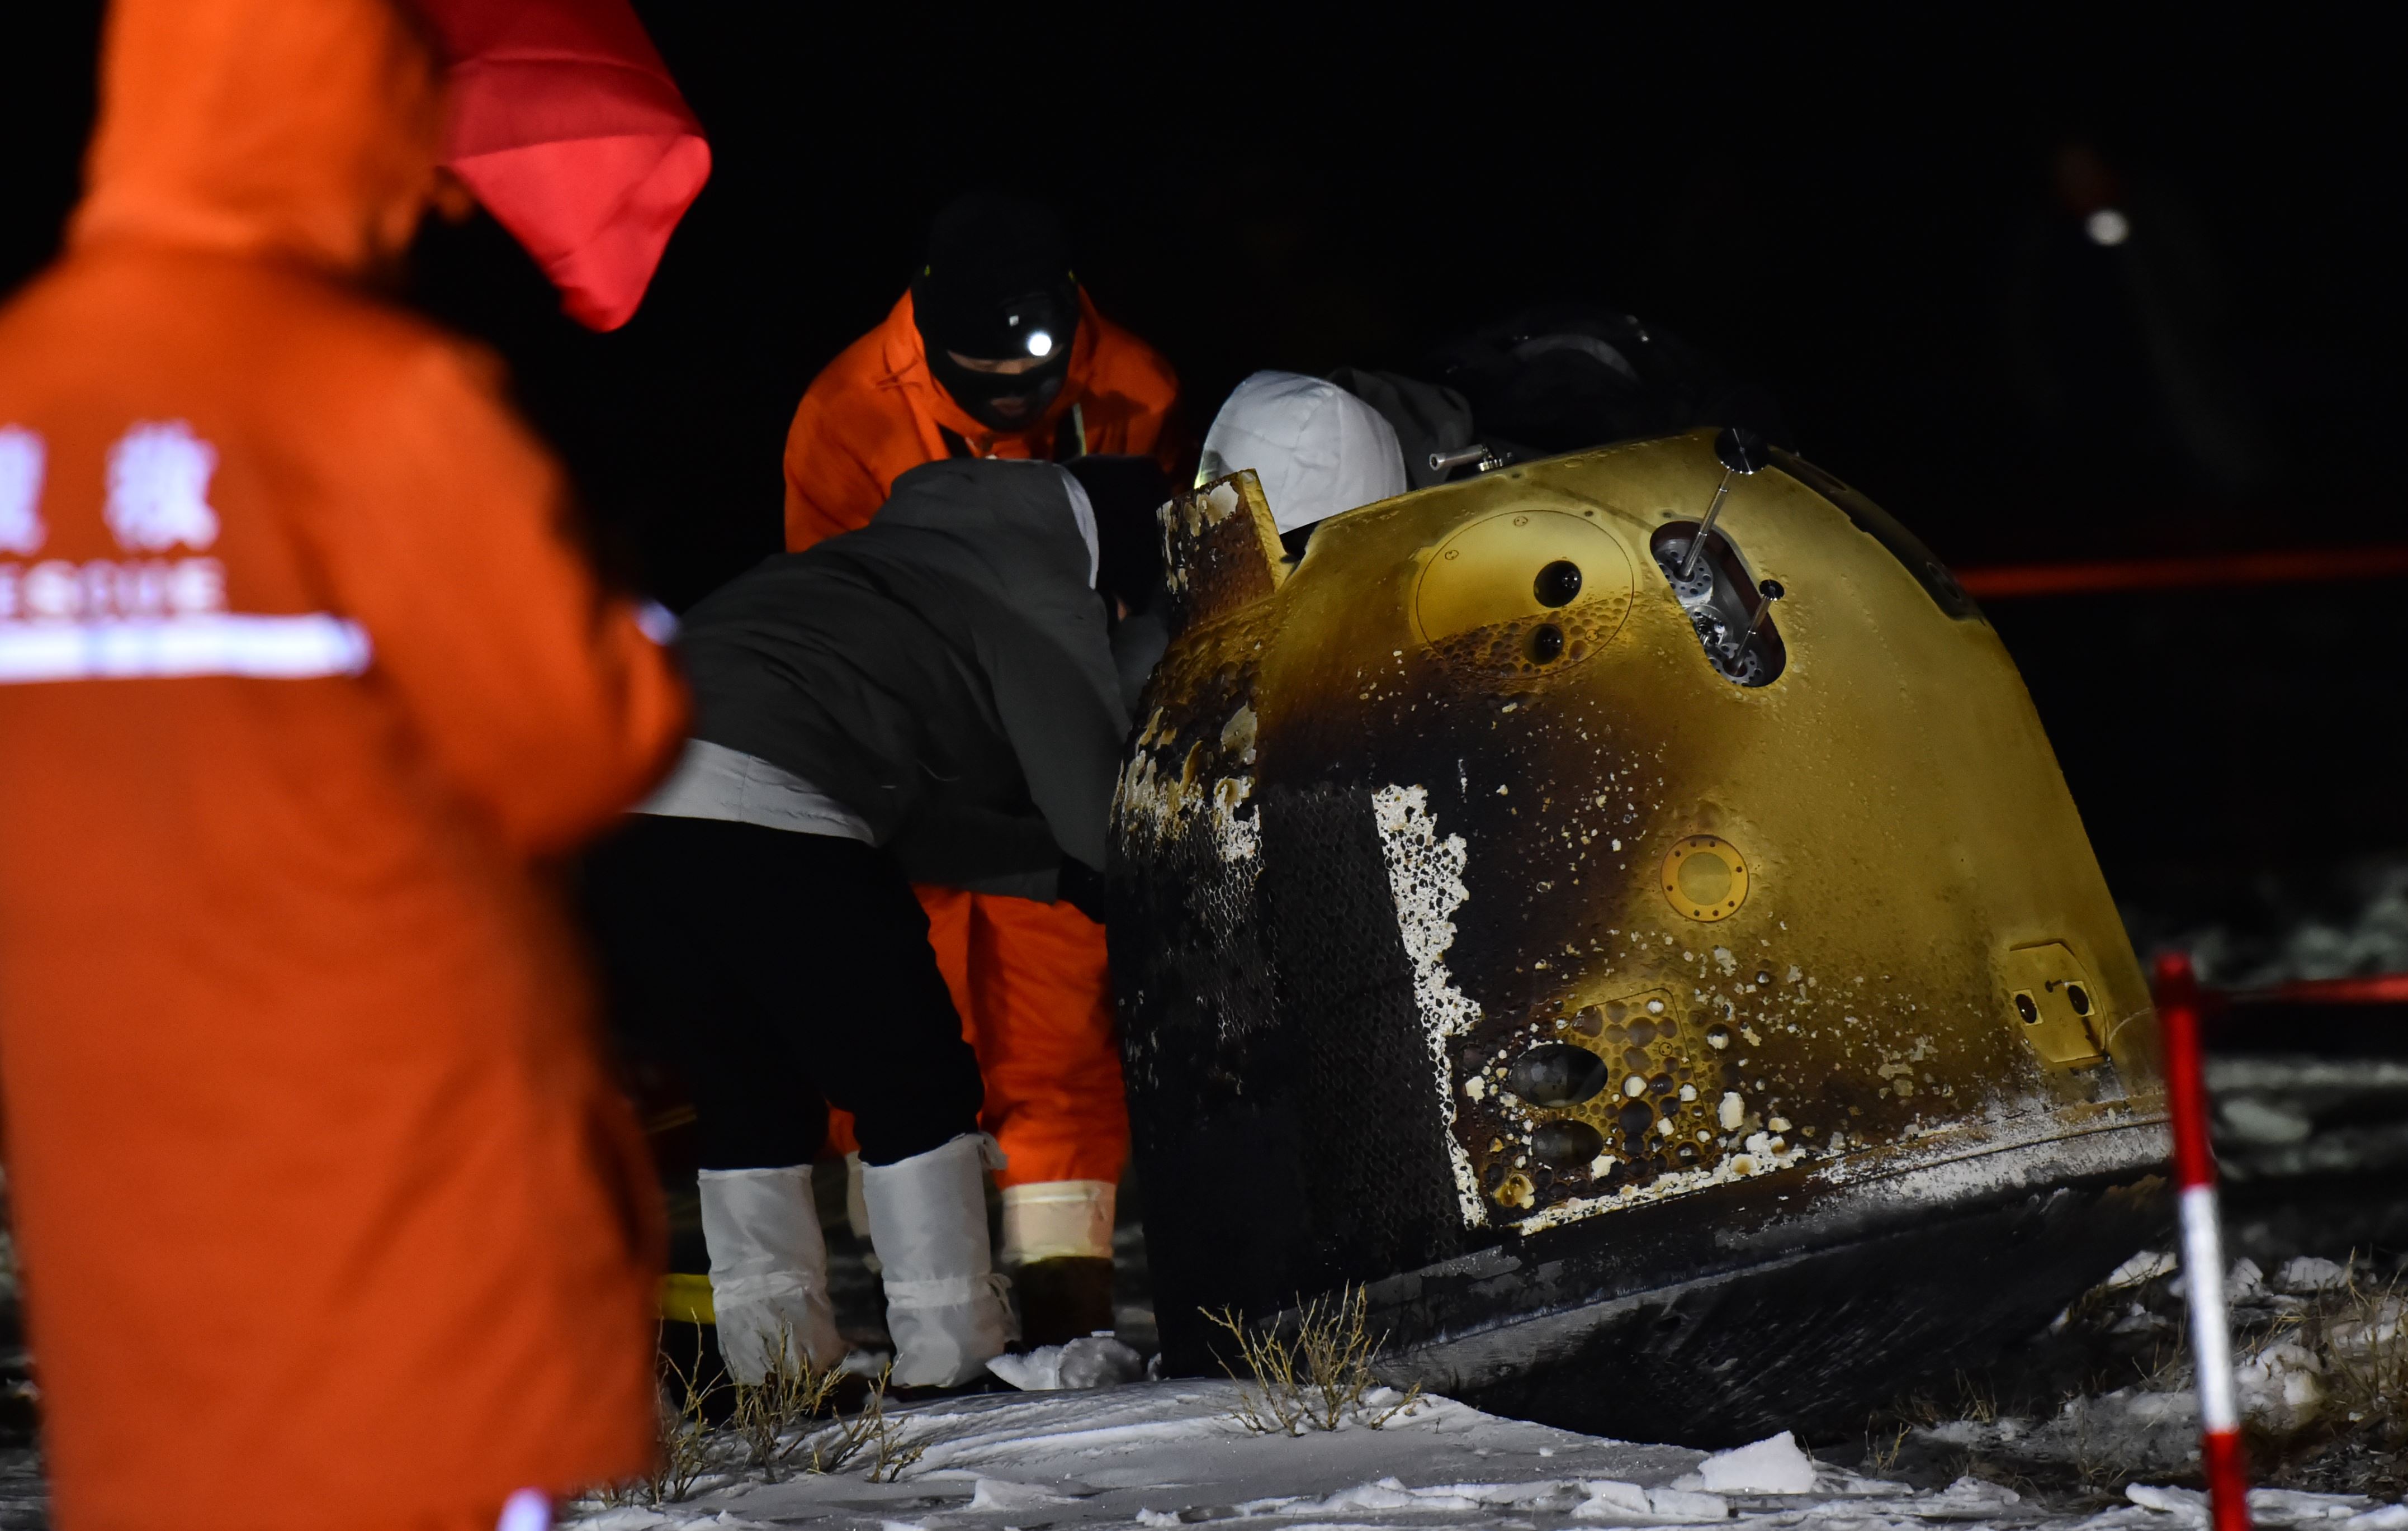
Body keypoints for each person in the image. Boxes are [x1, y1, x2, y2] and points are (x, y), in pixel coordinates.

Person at [0, 0, 693, 1528]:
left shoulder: (19, 378)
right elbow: (582, 738)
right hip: (388, 1162)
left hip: (121, 1172)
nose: (438, 176)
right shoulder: (368, 394)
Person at [583, 456, 1139, 1389]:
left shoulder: (873, 571)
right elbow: (1100, 807)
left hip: (625, 812)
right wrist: (1131, 873)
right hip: (769, 808)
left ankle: (776, 1367)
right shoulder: (1035, 584)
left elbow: (894, 813)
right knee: (911, 1076)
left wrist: (1050, 873)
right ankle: (955, 1351)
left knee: (750, 1094)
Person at [779, 192, 1178, 1343]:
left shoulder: (1136, 381)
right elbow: (840, 616)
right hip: (915, 750)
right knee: (902, 1018)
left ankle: (1068, 1312)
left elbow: (1156, 573)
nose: (1012, 391)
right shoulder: (843, 414)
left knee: (1064, 1030)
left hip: (1069, 727)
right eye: (981, 376)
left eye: (1033, 372)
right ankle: (922, 1307)